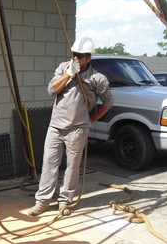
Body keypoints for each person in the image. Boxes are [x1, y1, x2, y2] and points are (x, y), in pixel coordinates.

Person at [28, 37, 114, 217]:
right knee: (49, 164)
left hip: (77, 129)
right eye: (74, 54)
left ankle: (65, 202)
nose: (76, 58)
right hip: (55, 126)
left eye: (80, 56)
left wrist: (91, 120)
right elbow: (52, 90)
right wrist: (69, 74)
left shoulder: (97, 78)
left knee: (72, 167)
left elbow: (108, 102)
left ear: (88, 58)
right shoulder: (63, 67)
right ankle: (42, 201)